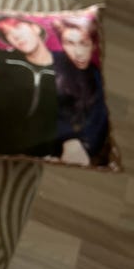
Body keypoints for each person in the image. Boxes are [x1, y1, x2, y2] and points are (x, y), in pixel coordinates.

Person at [0, 15, 58, 157]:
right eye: (7, 33)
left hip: (46, 154)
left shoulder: (64, 70)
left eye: (18, 27)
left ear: (36, 28)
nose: (15, 36)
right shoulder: (4, 61)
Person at [53, 17, 110, 165]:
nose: (78, 53)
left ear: (94, 45)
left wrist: (84, 145)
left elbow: (99, 118)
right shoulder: (51, 64)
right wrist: (68, 139)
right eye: (69, 43)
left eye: (84, 44)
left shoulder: (96, 75)